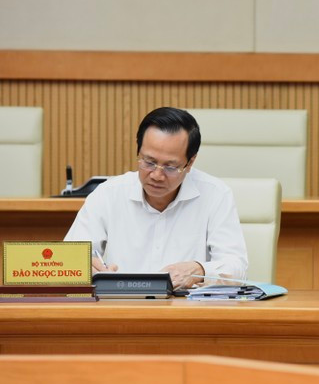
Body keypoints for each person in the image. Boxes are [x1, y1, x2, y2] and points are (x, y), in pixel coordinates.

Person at [65, 107, 248, 288]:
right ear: (139, 152)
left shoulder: (216, 195)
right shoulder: (108, 194)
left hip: (187, 311)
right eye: (149, 162)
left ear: (190, 162)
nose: (157, 176)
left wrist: (199, 270)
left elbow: (237, 267)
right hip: (121, 309)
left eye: (170, 167)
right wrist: (84, 267)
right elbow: (67, 258)